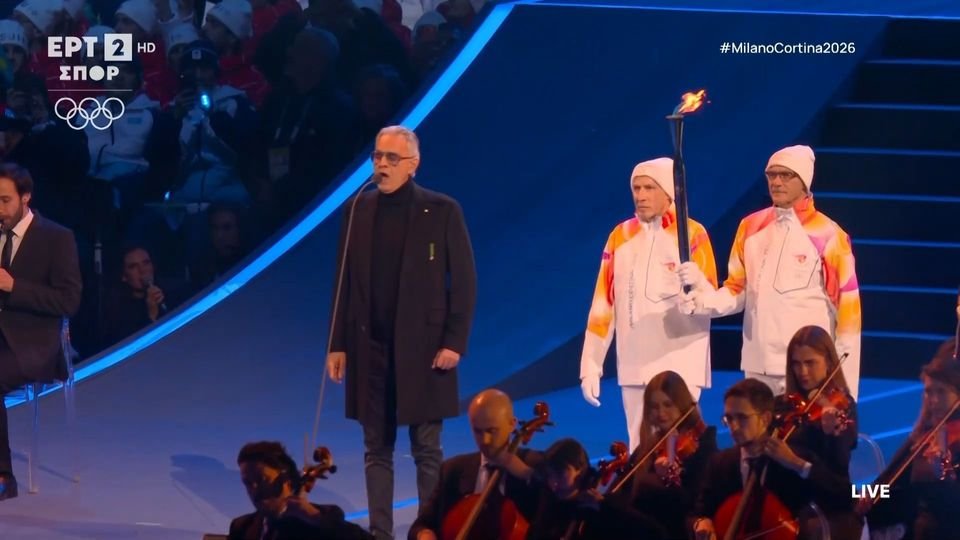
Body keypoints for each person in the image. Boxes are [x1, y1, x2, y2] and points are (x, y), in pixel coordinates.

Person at [327, 125, 477, 539]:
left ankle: (429, 531)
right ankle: (381, 533)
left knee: (427, 450)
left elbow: (464, 281)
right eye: (377, 156)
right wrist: (337, 344)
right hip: (370, 349)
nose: (382, 165)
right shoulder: (357, 210)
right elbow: (343, 282)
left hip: (425, 350)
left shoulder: (441, 210)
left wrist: (454, 341)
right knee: (376, 449)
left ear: (413, 165)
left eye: (392, 158)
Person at [679, 145, 862, 399]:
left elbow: (848, 313)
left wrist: (843, 389)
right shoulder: (750, 226)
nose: (776, 182)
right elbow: (737, 290)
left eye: (785, 175)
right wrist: (703, 301)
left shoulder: (829, 234)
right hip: (757, 365)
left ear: (804, 181)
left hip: (805, 370)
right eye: (771, 175)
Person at [580, 156, 717, 452]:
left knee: (683, 448)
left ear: (668, 192)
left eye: (649, 188)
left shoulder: (692, 234)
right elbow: (603, 304)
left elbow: (712, 300)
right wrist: (591, 364)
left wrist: (699, 287)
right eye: (637, 188)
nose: (640, 195)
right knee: (640, 449)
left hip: (681, 363)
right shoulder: (620, 236)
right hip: (635, 363)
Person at [0, 163, 82, 500]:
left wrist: (14, 286)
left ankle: (3, 477)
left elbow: (69, 300)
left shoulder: (56, 238)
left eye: (4, 200)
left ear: (25, 198)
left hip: (33, 343)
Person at [692, 378, 856, 539]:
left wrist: (797, 464)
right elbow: (698, 511)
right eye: (729, 418)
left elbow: (843, 495)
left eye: (742, 418)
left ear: (765, 418)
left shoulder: (795, 457)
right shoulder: (720, 463)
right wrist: (701, 522)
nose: (733, 427)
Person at [407, 389, 542, 540]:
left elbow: (557, 506)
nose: (485, 440)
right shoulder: (453, 470)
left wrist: (526, 473)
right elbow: (420, 525)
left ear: (512, 424)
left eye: (491, 431)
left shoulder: (534, 465)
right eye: (478, 431)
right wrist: (424, 534)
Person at [860, 339, 960, 539]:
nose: (933, 401)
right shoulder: (925, 436)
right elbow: (893, 484)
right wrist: (862, 495)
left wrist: (943, 473)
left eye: (941, 392)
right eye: (929, 391)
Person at [624, 370, 718, 539]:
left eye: (668, 405)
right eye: (654, 407)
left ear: (682, 405)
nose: (661, 413)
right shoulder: (649, 446)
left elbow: (693, 502)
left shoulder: (703, 444)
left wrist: (668, 481)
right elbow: (627, 496)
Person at [229, 441, 373, 539]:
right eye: (247, 483)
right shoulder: (241, 527)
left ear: (285, 479)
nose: (254, 489)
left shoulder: (320, 518)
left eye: (262, 479)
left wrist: (315, 517)